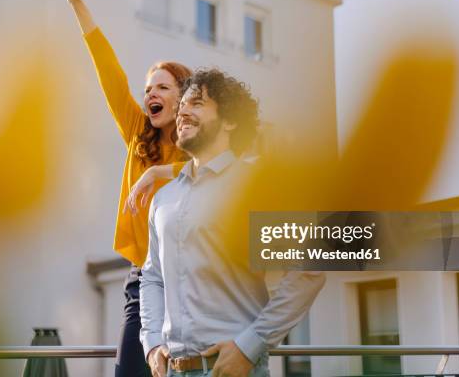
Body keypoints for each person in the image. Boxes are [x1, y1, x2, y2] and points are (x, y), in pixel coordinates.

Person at [140, 69, 326, 377]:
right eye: (182, 105)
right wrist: (152, 343)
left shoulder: (255, 187)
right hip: (172, 370)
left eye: (196, 103)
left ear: (230, 121)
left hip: (234, 369)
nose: (182, 111)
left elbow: (308, 270)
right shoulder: (163, 200)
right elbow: (152, 278)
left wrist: (250, 345)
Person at [62, 0, 191, 377]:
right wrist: (78, 4)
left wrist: (159, 173)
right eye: (148, 87)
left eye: (162, 87)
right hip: (145, 279)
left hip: (191, 280)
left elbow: (225, 171)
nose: (151, 93)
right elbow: (108, 69)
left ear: (183, 97)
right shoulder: (139, 133)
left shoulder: (199, 145)